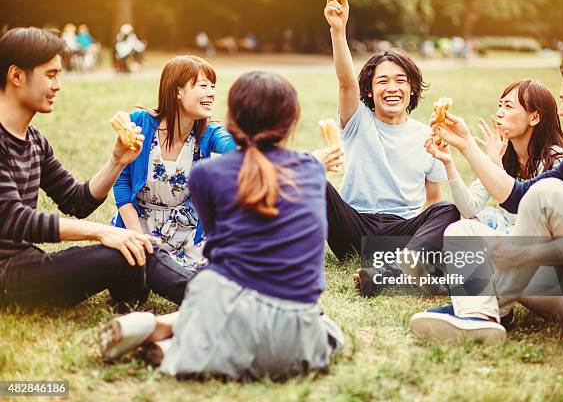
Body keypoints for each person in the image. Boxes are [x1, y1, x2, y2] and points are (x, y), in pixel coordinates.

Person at [98, 71, 344, 381]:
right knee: (328, 329)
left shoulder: (206, 175)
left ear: (232, 120)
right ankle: (172, 339)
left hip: (223, 301)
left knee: (220, 292)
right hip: (295, 333)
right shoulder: (310, 168)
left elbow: (219, 239)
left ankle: (165, 332)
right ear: (291, 122)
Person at [410, 56, 563, 343]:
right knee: (462, 231)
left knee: (546, 194)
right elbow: (517, 197)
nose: (562, 111)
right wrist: (465, 144)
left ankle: (475, 306)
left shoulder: (562, 159)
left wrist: (526, 254)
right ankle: (481, 318)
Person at [0, 27, 155, 308]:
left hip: (26, 262)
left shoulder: (35, 141)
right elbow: (14, 218)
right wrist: (102, 231)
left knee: (135, 248)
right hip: (6, 276)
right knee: (122, 253)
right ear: (16, 75)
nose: (58, 85)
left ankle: (146, 294)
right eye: (50, 75)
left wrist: (117, 160)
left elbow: (76, 201)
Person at [323, 0, 460, 297]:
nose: (392, 87)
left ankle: (393, 271)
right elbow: (346, 81)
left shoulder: (429, 135)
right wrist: (338, 29)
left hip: (401, 234)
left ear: (412, 89)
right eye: (382, 81)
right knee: (313, 179)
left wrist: (426, 239)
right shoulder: (358, 121)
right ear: (369, 92)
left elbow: (433, 201)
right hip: (353, 229)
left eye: (400, 80)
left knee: (447, 209)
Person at [112, 55, 236, 273]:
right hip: (138, 227)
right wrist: (140, 239)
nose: (211, 93)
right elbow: (121, 182)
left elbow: (232, 146)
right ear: (178, 91)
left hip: (186, 234)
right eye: (203, 85)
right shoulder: (140, 123)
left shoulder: (207, 133)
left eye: (213, 86)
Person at [426, 80, 563, 235]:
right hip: (510, 233)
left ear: (534, 118)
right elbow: (469, 208)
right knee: (475, 221)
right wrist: (448, 163)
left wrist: (497, 166)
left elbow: (530, 221)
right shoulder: (504, 153)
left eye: (508, 106)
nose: (499, 113)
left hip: (541, 243)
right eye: (500, 105)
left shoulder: (556, 160)